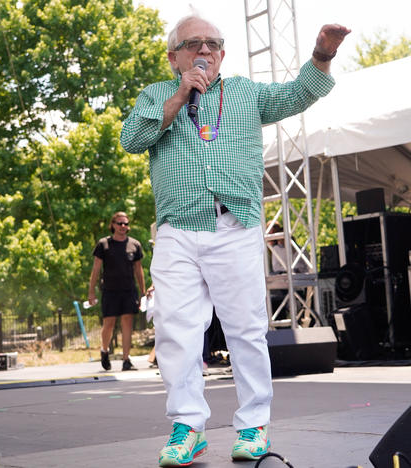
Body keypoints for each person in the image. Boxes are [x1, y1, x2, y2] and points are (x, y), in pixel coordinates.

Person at [120, 14, 349, 466]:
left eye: (212, 43)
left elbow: (298, 94)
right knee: (174, 332)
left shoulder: (245, 92)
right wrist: (181, 93)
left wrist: (322, 53)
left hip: (234, 224)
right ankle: (188, 428)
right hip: (177, 229)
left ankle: (254, 426)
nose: (204, 50)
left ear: (222, 53)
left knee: (245, 329)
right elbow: (133, 138)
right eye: (193, 44)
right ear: (174, 57)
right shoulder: (155, 95)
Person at [87, 212, 146, 371]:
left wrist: (143, 292)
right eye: (120, 223)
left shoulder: (134, 244)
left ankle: (126, 359)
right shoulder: (104, 244)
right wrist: (91, 292)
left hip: (128, 290)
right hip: (110, 291)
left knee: (127, 322)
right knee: (109, 323)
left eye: (126, 224)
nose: (123, 227)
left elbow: (138, 270)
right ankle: (104, 350)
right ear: (113, 225)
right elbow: (96, 269)